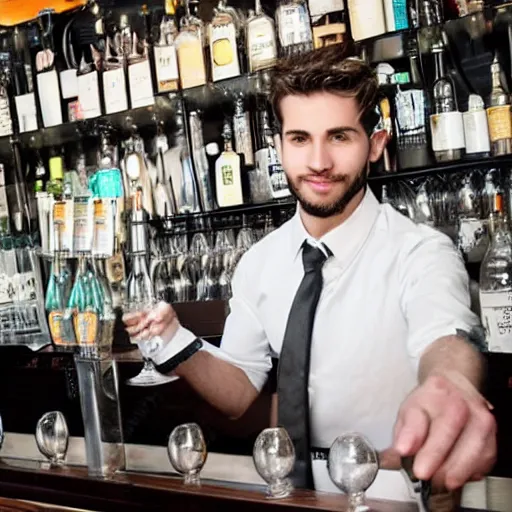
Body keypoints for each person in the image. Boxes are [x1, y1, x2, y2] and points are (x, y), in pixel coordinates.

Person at [123, 43, 496, 502]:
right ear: (279, 147)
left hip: (390, 496)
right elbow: (240, 390)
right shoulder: (259, 263)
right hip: (286, 493)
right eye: (300, 138)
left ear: (374, 144)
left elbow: (447, 337)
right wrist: (175, 340)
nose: (318, 161)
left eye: (339, 136)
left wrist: (452, 384)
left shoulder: (420, 253)